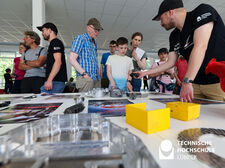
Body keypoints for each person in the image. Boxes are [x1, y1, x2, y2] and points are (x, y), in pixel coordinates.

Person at [136, 0, 225, 102]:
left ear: (170, 12)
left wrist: (186, 81)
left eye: (161, 18)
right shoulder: (174, 36)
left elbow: (200, 46)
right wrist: (146, 72)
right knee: (191, 116)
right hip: (195, 83)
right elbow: (170, 62)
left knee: (217, 117)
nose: (161, 23)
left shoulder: (202, 11)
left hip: (218, 83)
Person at [69, 18, 103, 92]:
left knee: (97, 103)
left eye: (98, 30)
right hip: (85, 79)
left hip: (96, 79)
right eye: (95, 30)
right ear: (88, 28)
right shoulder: (80, 39)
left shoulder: (94, 43)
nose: (97, 32)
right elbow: (71, 59)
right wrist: (84, 74)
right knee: (85, 102)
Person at [37, 22, 67, 93]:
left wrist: (49, 80)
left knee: (44, 102)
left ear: (50, 30)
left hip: (55, 82)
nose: (42, 33)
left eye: (43, 30)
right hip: (54, 81)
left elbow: (58, 62)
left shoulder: (55, 42)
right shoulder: (52, 43)